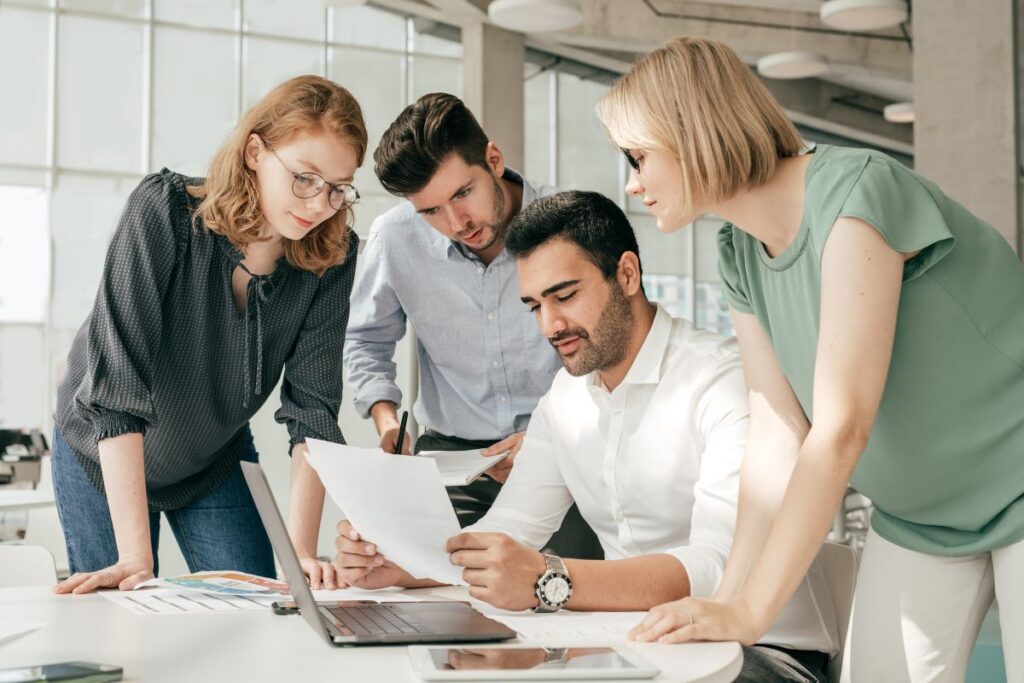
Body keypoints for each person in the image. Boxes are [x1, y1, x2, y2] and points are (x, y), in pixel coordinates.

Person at [597, 35, 1024, 682]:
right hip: (919, 518)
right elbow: (776, 434)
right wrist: (726, 600)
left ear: (690, 131)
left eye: (637, 157)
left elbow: (841, 427)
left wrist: (751, 610)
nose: (631, 184)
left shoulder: (855, 195)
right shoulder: (739, 252)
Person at [335, 191, 836, 682]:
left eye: (565, 295)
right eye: (533, 305)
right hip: (632, 646)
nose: (550, 325)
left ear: (627, 274)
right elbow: (511, 529)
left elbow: (718, 568)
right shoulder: (564, 398)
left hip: (759, 653)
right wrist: (404, 567)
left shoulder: (722, 380)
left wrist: (549, 581)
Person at [52, 75, 367, 594]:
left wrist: (302, 553)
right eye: (305, 178)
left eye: (337, 189)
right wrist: (135, 557)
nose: (317, 205)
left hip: (213, 456)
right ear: (253, 152)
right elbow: (116, 390)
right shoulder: (165, 213)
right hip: (101, 449)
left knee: (256, 612)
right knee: (122, 610)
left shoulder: (333, 256)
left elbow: (313, 411)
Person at [344, 93, 600, 558]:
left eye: (463, 193)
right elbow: (365, 340)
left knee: (562, 592)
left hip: (561, 453)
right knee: (407, 577)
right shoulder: (395, 238)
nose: (456, 222)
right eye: (431, 211)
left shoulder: (570, 227)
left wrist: (556, 438)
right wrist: (386, 421)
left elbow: (610, 348)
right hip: (450, 461)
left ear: (494, 160)